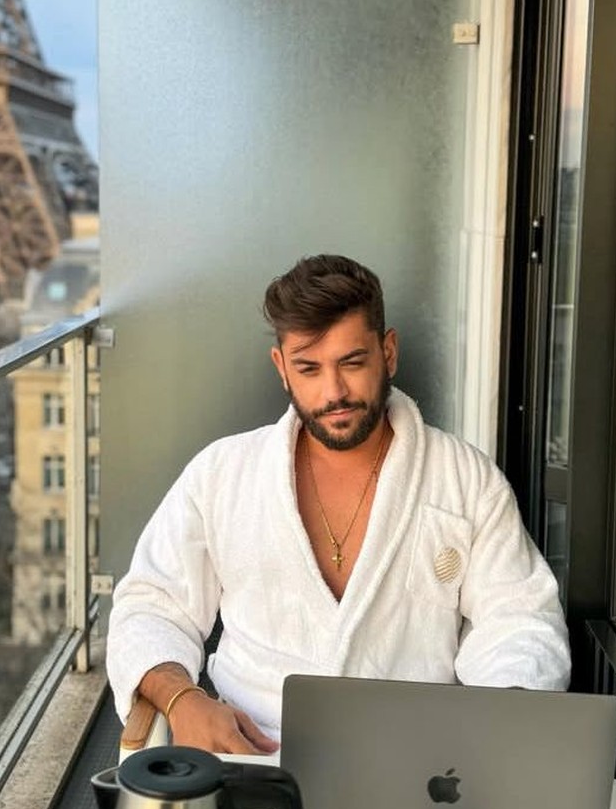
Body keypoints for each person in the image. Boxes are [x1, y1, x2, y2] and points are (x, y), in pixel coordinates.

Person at [106, 254, 571, 754]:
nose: (334, 392)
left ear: (388, 352)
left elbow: (519, 619)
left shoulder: (464, 481)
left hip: (415, 765)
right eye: (309, 368)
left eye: (352, 362)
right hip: (253, 755)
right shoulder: (223, 474)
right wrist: (182, 699)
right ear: (281, 368)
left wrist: (496, 725)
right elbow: (151, 605)